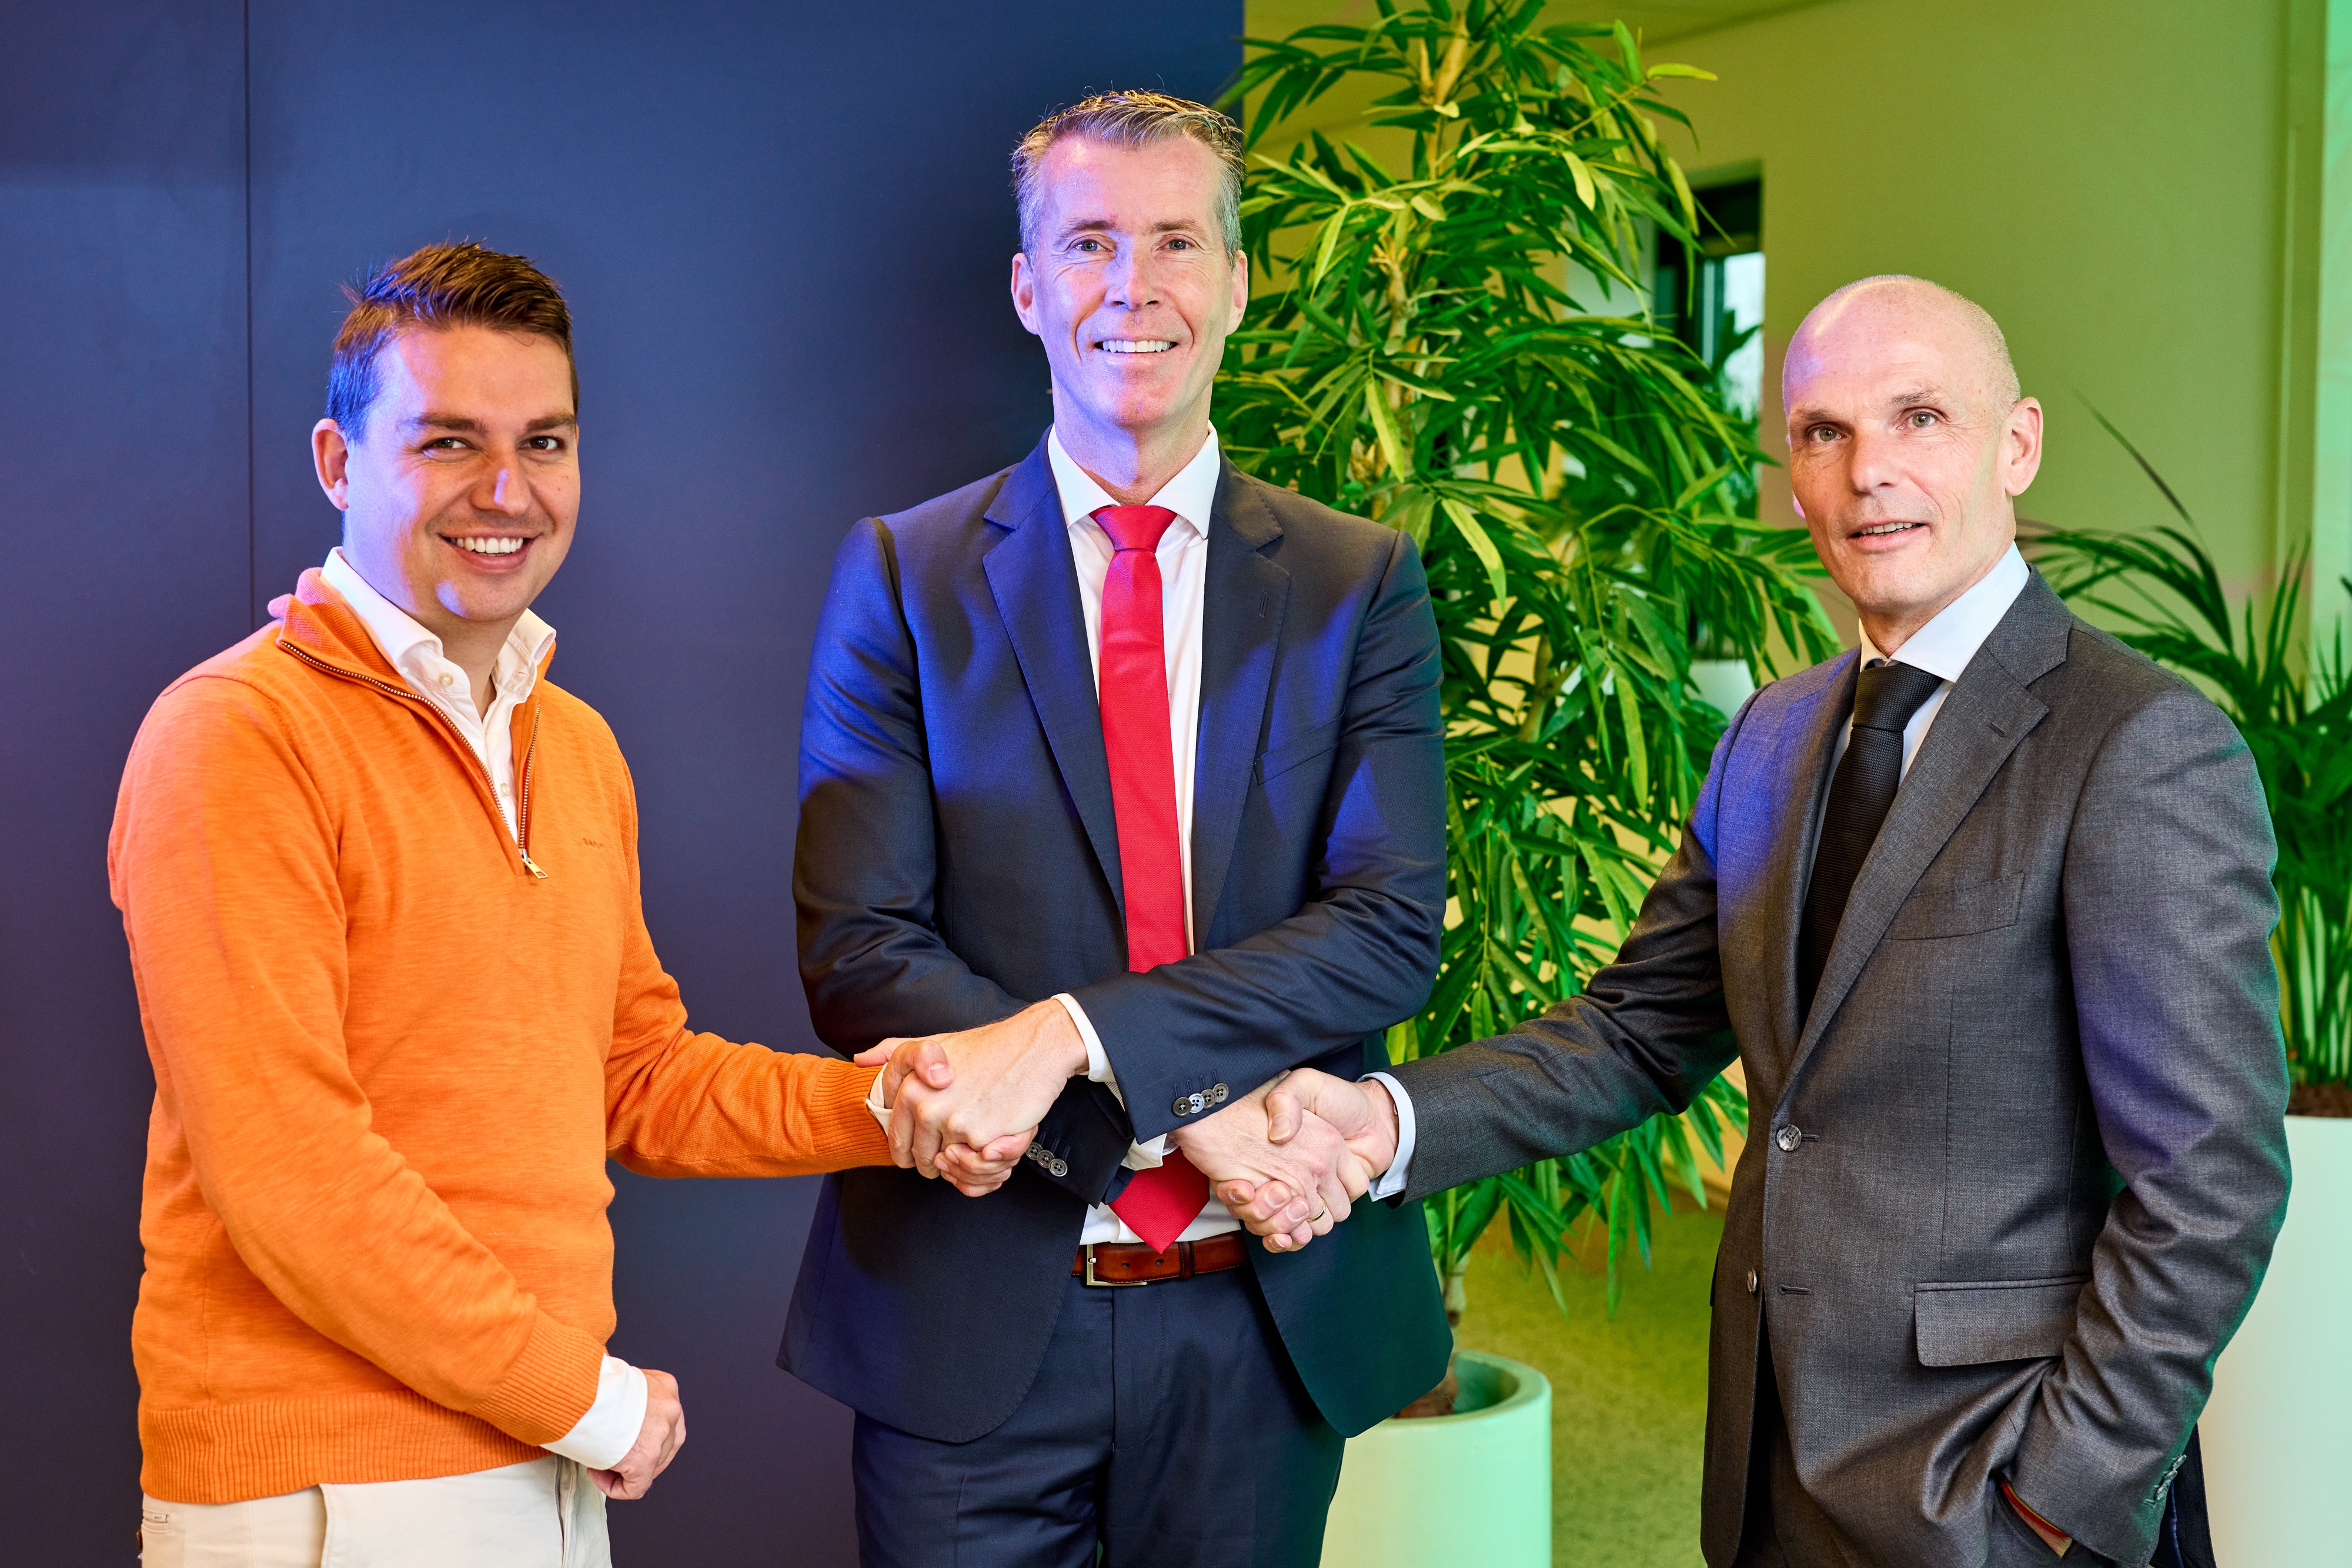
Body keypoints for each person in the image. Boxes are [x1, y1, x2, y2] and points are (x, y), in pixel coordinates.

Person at [1229, 277, 2290, 1568]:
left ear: (2015, 444)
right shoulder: (1772, 735)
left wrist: (2056, 1500)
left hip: (1999, 1492)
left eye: (1919, 418)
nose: (1866, 472)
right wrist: (1383, 1122)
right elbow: (1637, 1031)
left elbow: (2209, 1180)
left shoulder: (2138, 744)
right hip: (1766, 1461)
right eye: (1822, 431)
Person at [111, 242, 1025, 1568]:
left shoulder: (574, 744)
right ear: (337, 462)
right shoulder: (235, 737)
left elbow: (634, 1075)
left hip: (537, 1463)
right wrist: (583, 1399)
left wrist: (889, 1109)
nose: (506, 490)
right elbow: (290, 1170)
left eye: (543, 441)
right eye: (448, 441)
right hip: (324, 1493)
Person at [785, 92, 1451, 1567]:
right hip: (970, 1321)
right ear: (1029, 287)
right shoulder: (903, 575)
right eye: (1087, 242)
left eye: (1174, 241)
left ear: (1237, 280)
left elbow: (1386, 928)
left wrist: (1087, 1041)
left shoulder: (1356, 584)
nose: (1131, 285)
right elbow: (861, 949)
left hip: (1258, 1326)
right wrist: (1175, 1110)